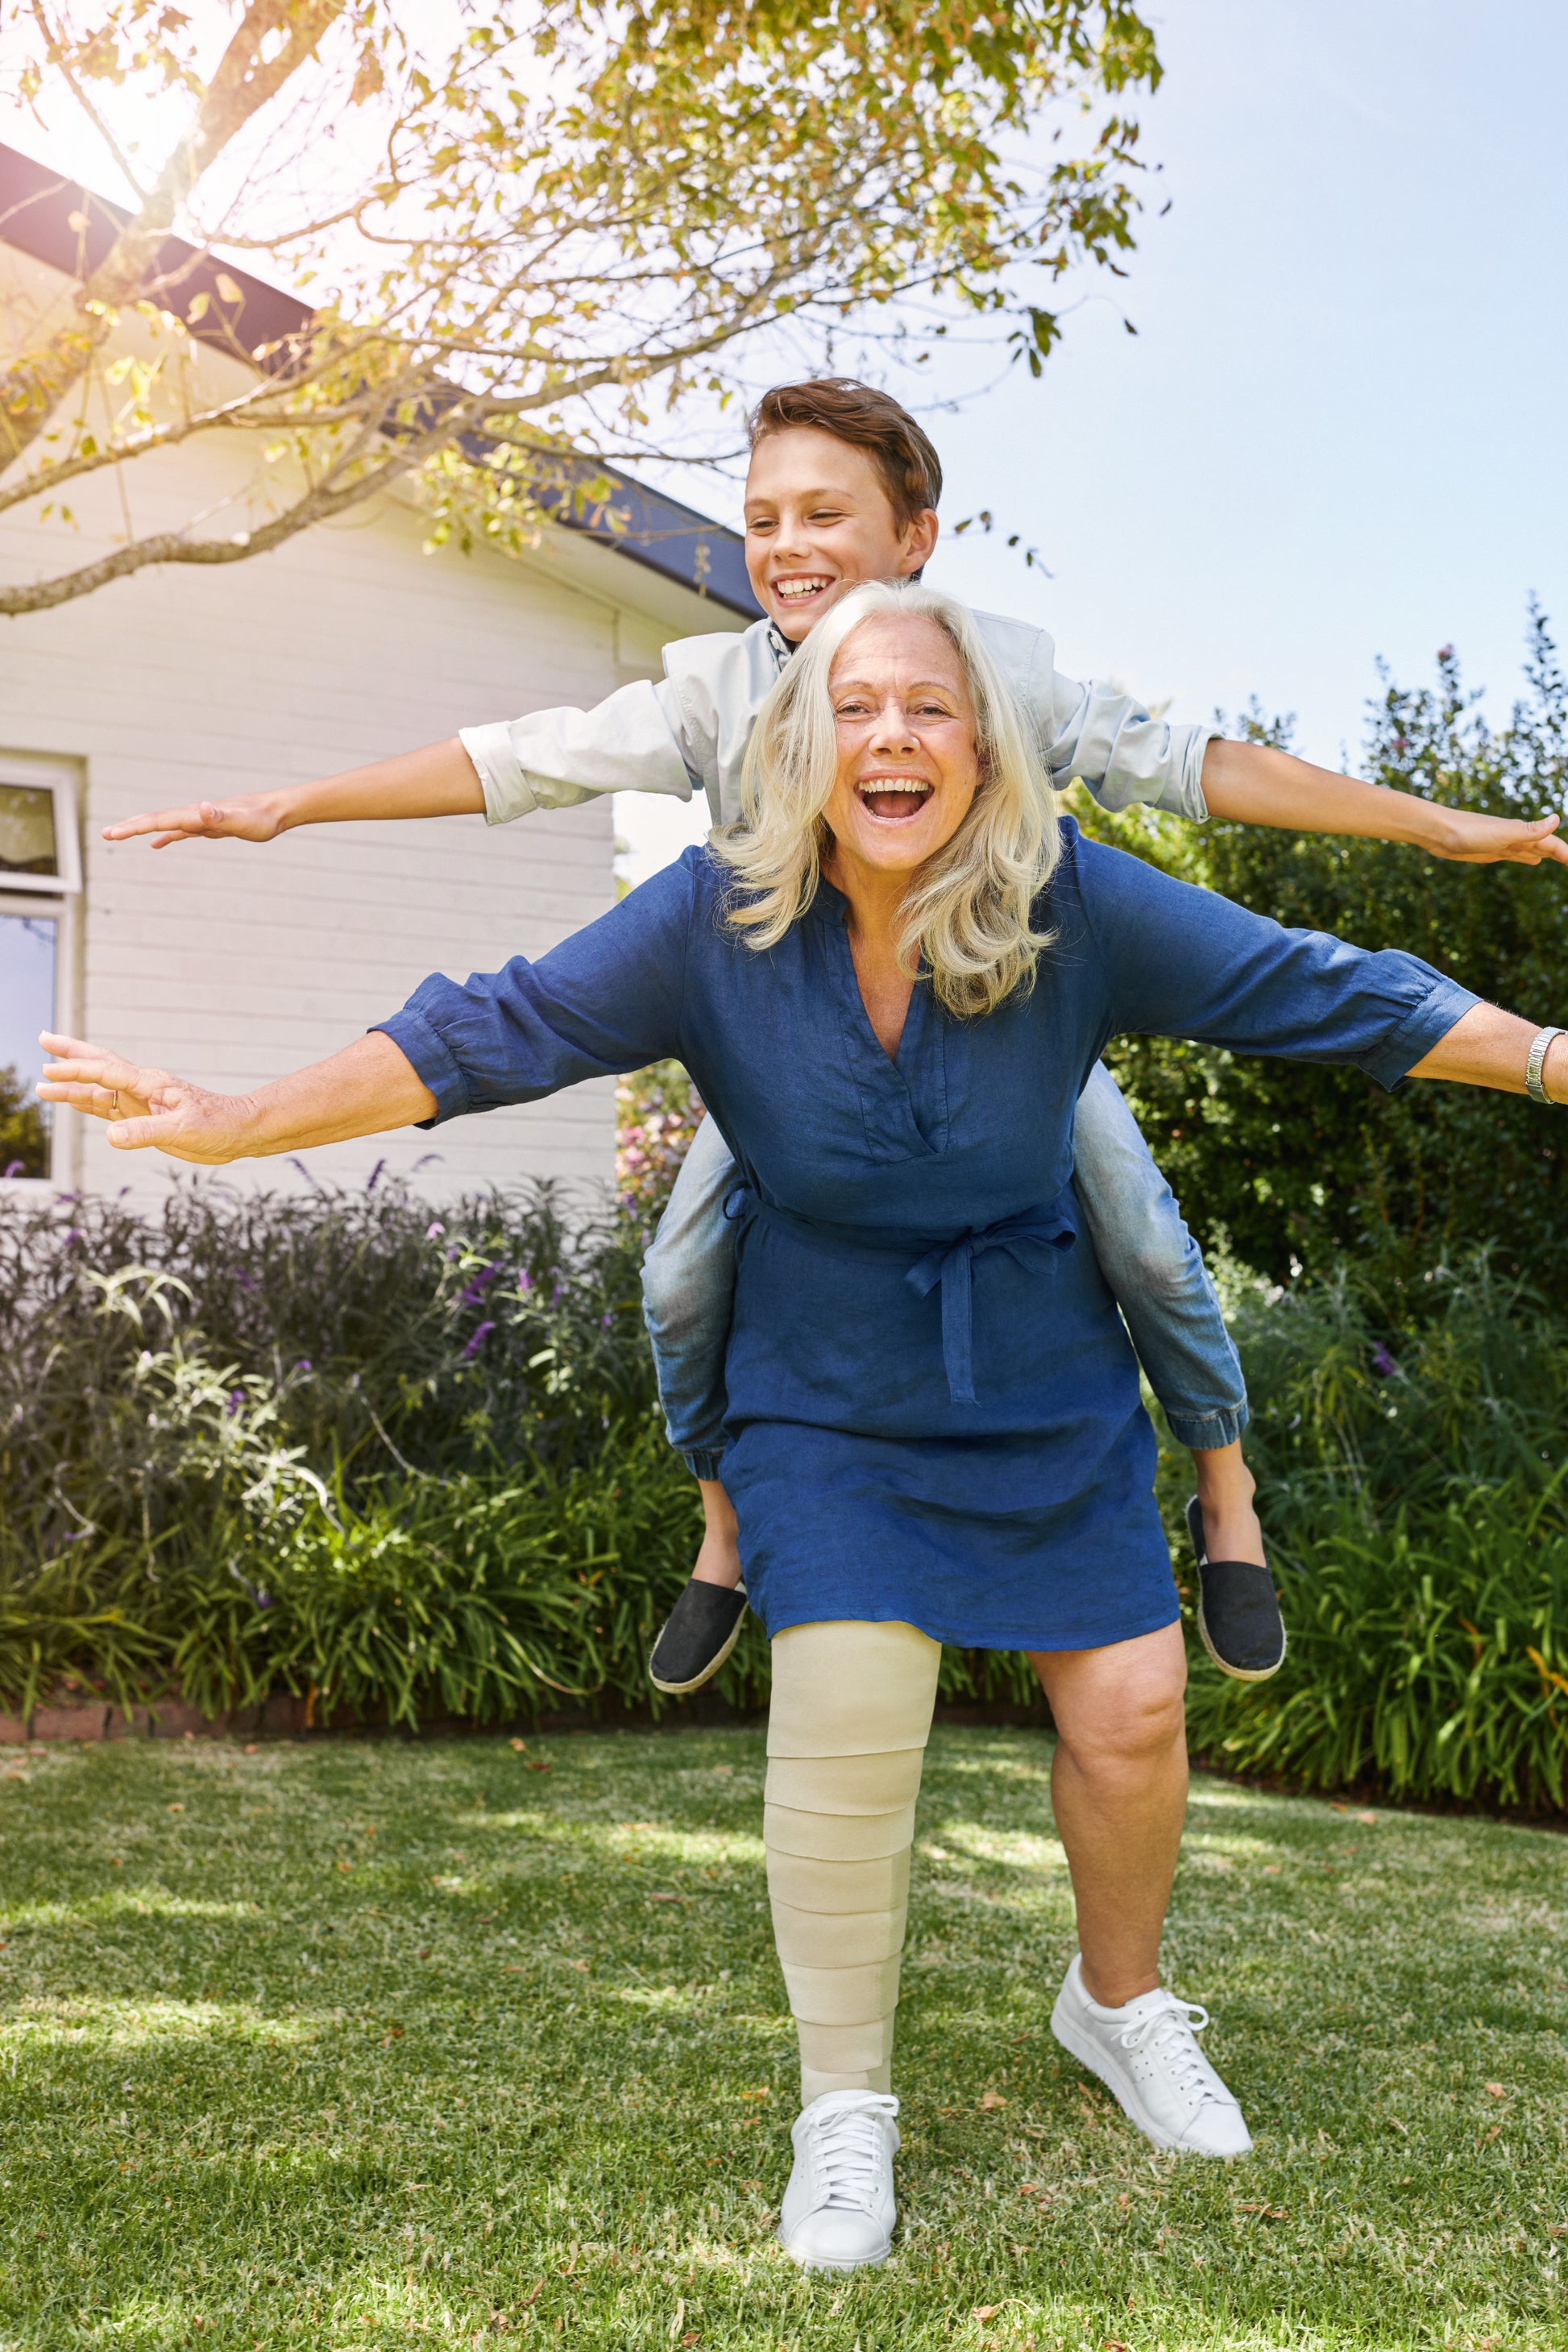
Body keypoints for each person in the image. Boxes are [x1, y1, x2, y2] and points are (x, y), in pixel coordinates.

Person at [45, 583, 1566, 2272]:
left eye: (931, 706)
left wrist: (1549, 1059)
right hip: (824, 1380)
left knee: (1135, 1709)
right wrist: (237, 1118)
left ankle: (1116, 2002)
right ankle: (842, 2106)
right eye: (855, 707)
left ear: (983, 744)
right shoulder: (714, 918)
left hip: (1037, 1368)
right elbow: (494, 1027)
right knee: (851, 1702)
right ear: (796, 742)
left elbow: (1317, 986)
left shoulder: (1068, 901)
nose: (892, 736)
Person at [101, 380, 1568, 1703]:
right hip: (794, 1077)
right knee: (677, 1277)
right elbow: (520, 762)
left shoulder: (994, 680)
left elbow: (1202, 775)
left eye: (825, 515)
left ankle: (1226, 1496)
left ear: (914, 538)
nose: (787, 547)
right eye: (761, 519)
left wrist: (1435, 829)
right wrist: (292, 806)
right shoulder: (718, 689)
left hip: (1005, 1051)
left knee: (1146, 1243)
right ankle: (723, 1529)